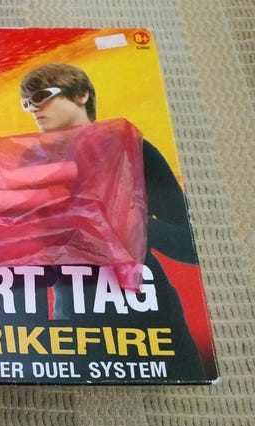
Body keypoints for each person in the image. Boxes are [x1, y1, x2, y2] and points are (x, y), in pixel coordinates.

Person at [19, 63, 209, 380]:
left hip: (149, 314)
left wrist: (132, 223)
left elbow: (190, 245)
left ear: (81, 94)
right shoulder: (29, 161)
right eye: (26, 102)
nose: (32, 109)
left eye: (41, 97)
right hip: (73, 318)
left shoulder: (132, 149)